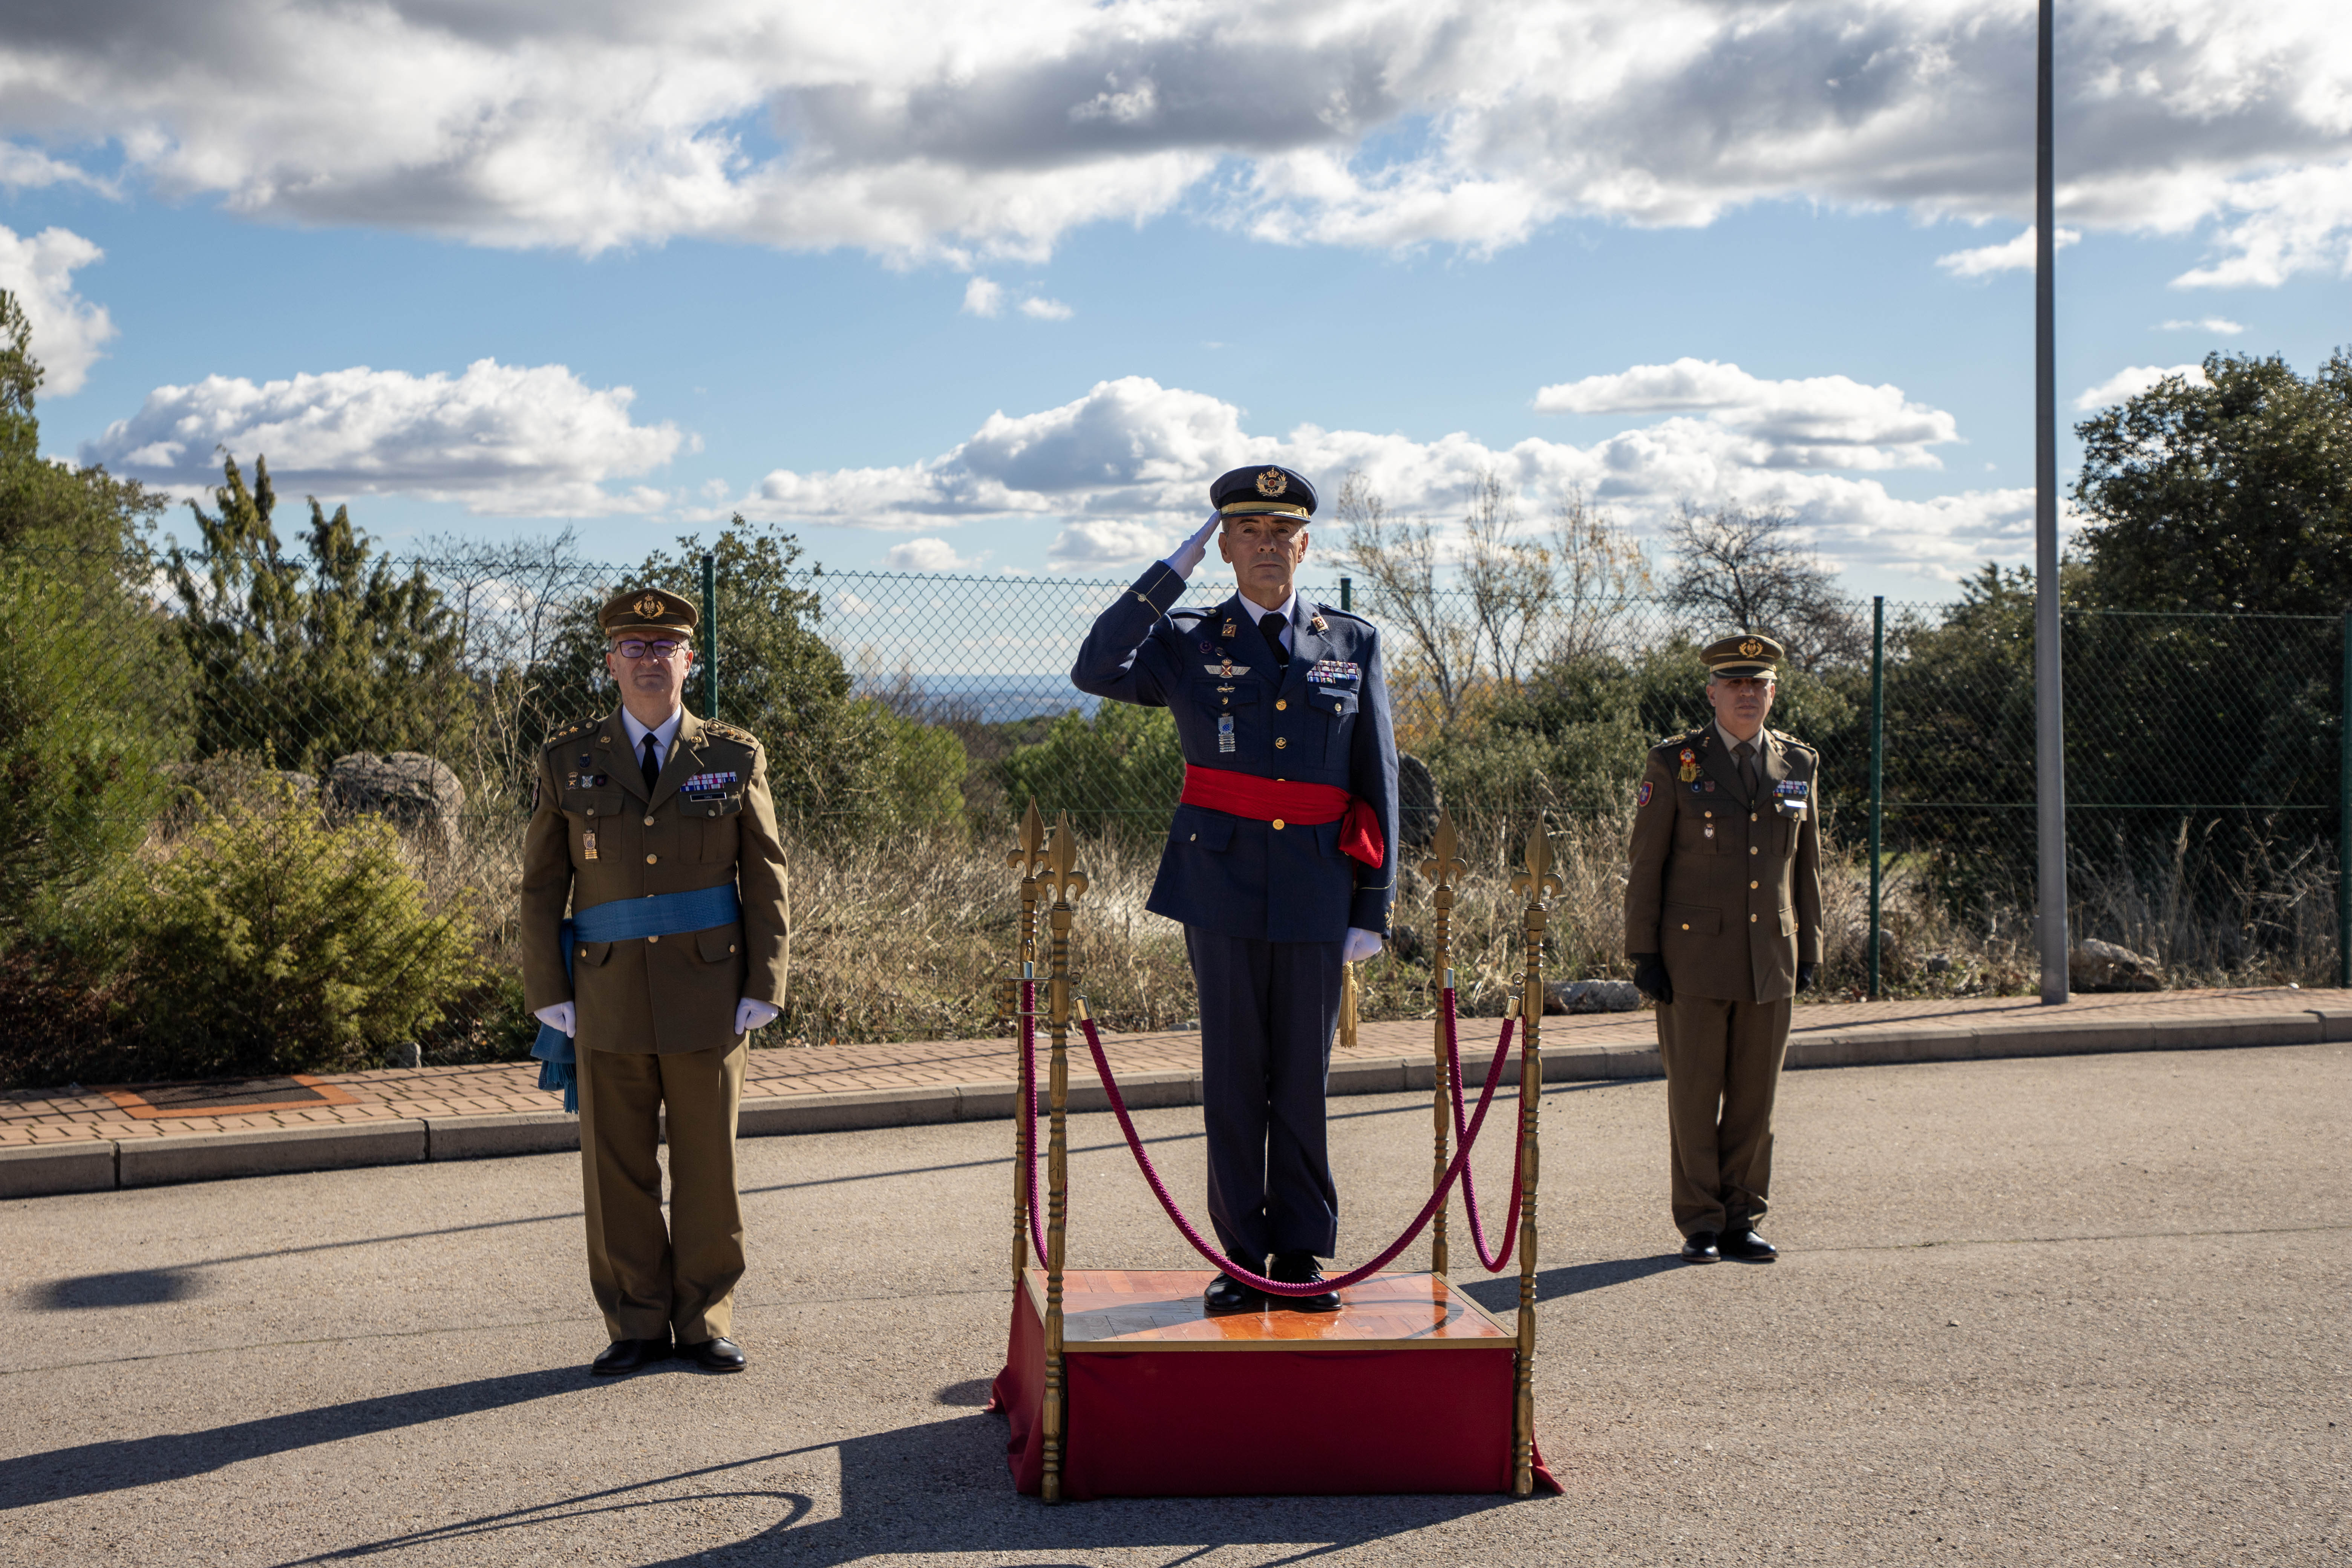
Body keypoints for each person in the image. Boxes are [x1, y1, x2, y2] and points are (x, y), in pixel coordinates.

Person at [1072, 465, 1399, 1314]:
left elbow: (1379, 778)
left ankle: (1300, 1255)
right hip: (1219, 883)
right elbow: (1096, 667)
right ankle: (1243, 1257)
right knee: (1234, 1075)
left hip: (1318, 887)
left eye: (1281, 533)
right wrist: (1167, 574)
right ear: (1222, 547)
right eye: (1247, 532)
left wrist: (1373, 903)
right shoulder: (1187, 638)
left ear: (1305, 546)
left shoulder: (1350, 641)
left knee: (1302, 1079)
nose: (1266, 546)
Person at [521, 587, 790, 1374]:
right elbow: (542, 884)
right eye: (633, 647)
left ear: (689, 660)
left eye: (664, 646)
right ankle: (635, 1321)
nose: (649, 659)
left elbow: (766, 875)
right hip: (603, 995)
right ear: (610, 662)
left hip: (711, 995)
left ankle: (704, 1318)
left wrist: (766, 980)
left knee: (710, 1167)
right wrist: (548, 989)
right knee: (617, 1170)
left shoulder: (733, 757)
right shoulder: (568, 760)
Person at [1623, 633, 1821, 1265]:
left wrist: (1810, 946)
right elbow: (1646, 865)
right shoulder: (1676, 762)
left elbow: (1807, 865)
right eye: (1734, 684)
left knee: (1755, 1101)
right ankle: (1702, 1221)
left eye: (1757, 684)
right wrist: (1644, 952)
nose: (1746, 694)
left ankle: (1743, 1219)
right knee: (1695, 1095)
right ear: (1712, 693)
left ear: (1773, 693)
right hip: (1694, 961)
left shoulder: (1798, 764)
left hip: (1771, 957)